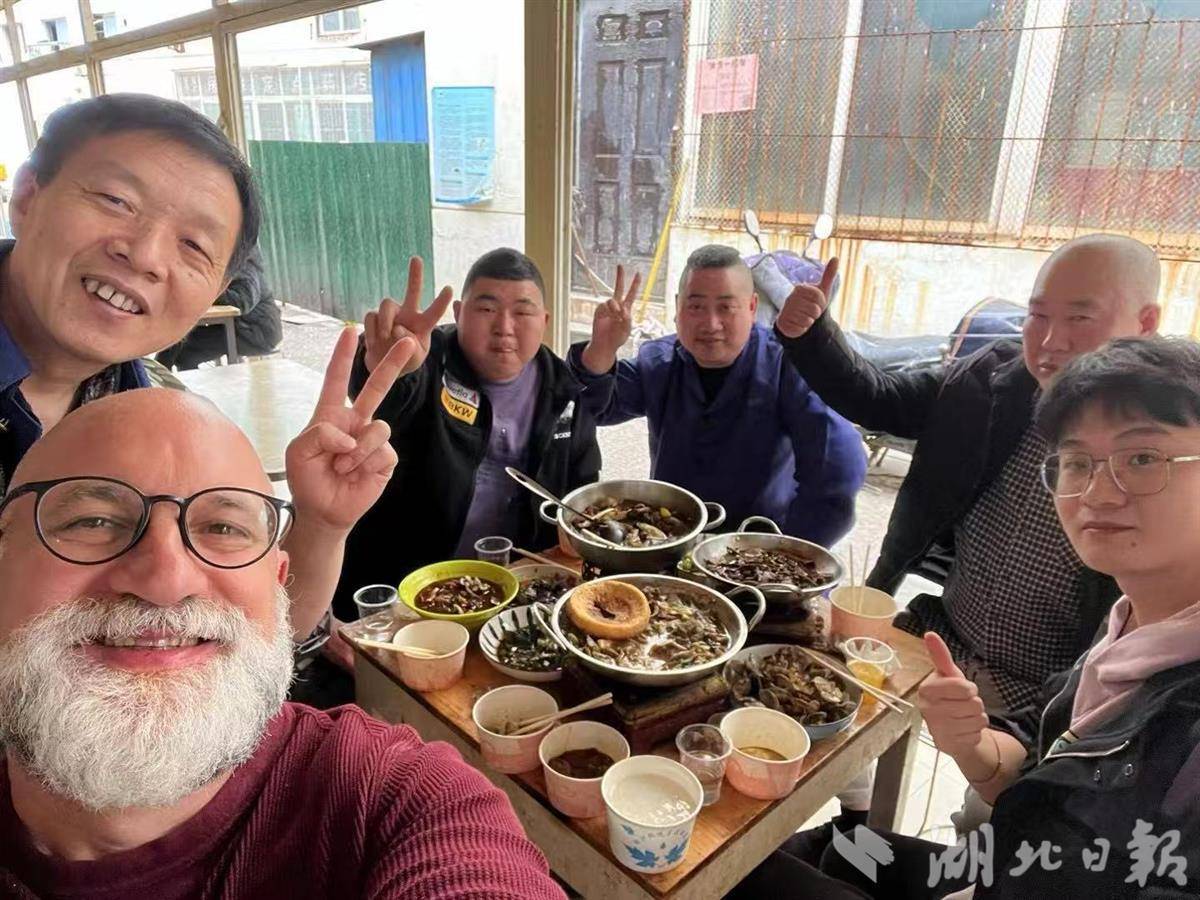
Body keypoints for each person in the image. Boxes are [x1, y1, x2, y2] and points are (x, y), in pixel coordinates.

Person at [0, 388, 566, 899]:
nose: (166, 581)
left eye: (222, 528)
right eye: (94, 521)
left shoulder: (395, 801)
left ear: (277, 586)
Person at [736, 337, 1200, 899]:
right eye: (1078, 462)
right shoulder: (1128, 623)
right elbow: (1029, 782)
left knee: (745, 876)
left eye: (1142, 458)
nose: (1098, 493)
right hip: (1009, 865)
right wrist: (975, 745)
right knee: (848, 851)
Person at [0, 92, 401, 640]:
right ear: (27, 196)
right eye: (116, 200)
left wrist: (322, 523)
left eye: (193, 244)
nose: (145, 255)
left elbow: (252, 641)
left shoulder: (164, 409)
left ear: (216, 289)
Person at [773, 234, 1161, 716]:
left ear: (1145, 324)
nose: (1050, 341)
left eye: (1080, 318)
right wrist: (813, 337)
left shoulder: (1166, 447)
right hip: (945, 645)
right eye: (1038, 315)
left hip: (1057, 695)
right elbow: (881, 399)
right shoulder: (988, 383)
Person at [334, 248, 600, 618]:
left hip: (512, 587)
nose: (504, 327)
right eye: (487, 309)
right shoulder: (429, 358)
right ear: (458, 313)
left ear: (544, 321)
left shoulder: (565, 392)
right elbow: (390, 400)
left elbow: (583, 491)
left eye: (522, 312)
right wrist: (387, 365)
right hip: (406, 588)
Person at [569, 245, 866, 546]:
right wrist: (601, 350)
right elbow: (591, 409)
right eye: (696, 307)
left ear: (752, 307)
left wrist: (792, 549)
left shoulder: (786, 366)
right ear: (677, 308)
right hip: (669, 540)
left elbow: (837, 471)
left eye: (726, 307)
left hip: (755, 546)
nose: (711, 324)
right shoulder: (659, 362)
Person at [156, 247, 282, 369]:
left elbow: (243, 301)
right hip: (239, 327)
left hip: (257, 332)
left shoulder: (246, 266)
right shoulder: (226, 265)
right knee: (180, 335)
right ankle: (157, 373)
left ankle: (159, 373)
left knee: (186, 351)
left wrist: (203, 293)